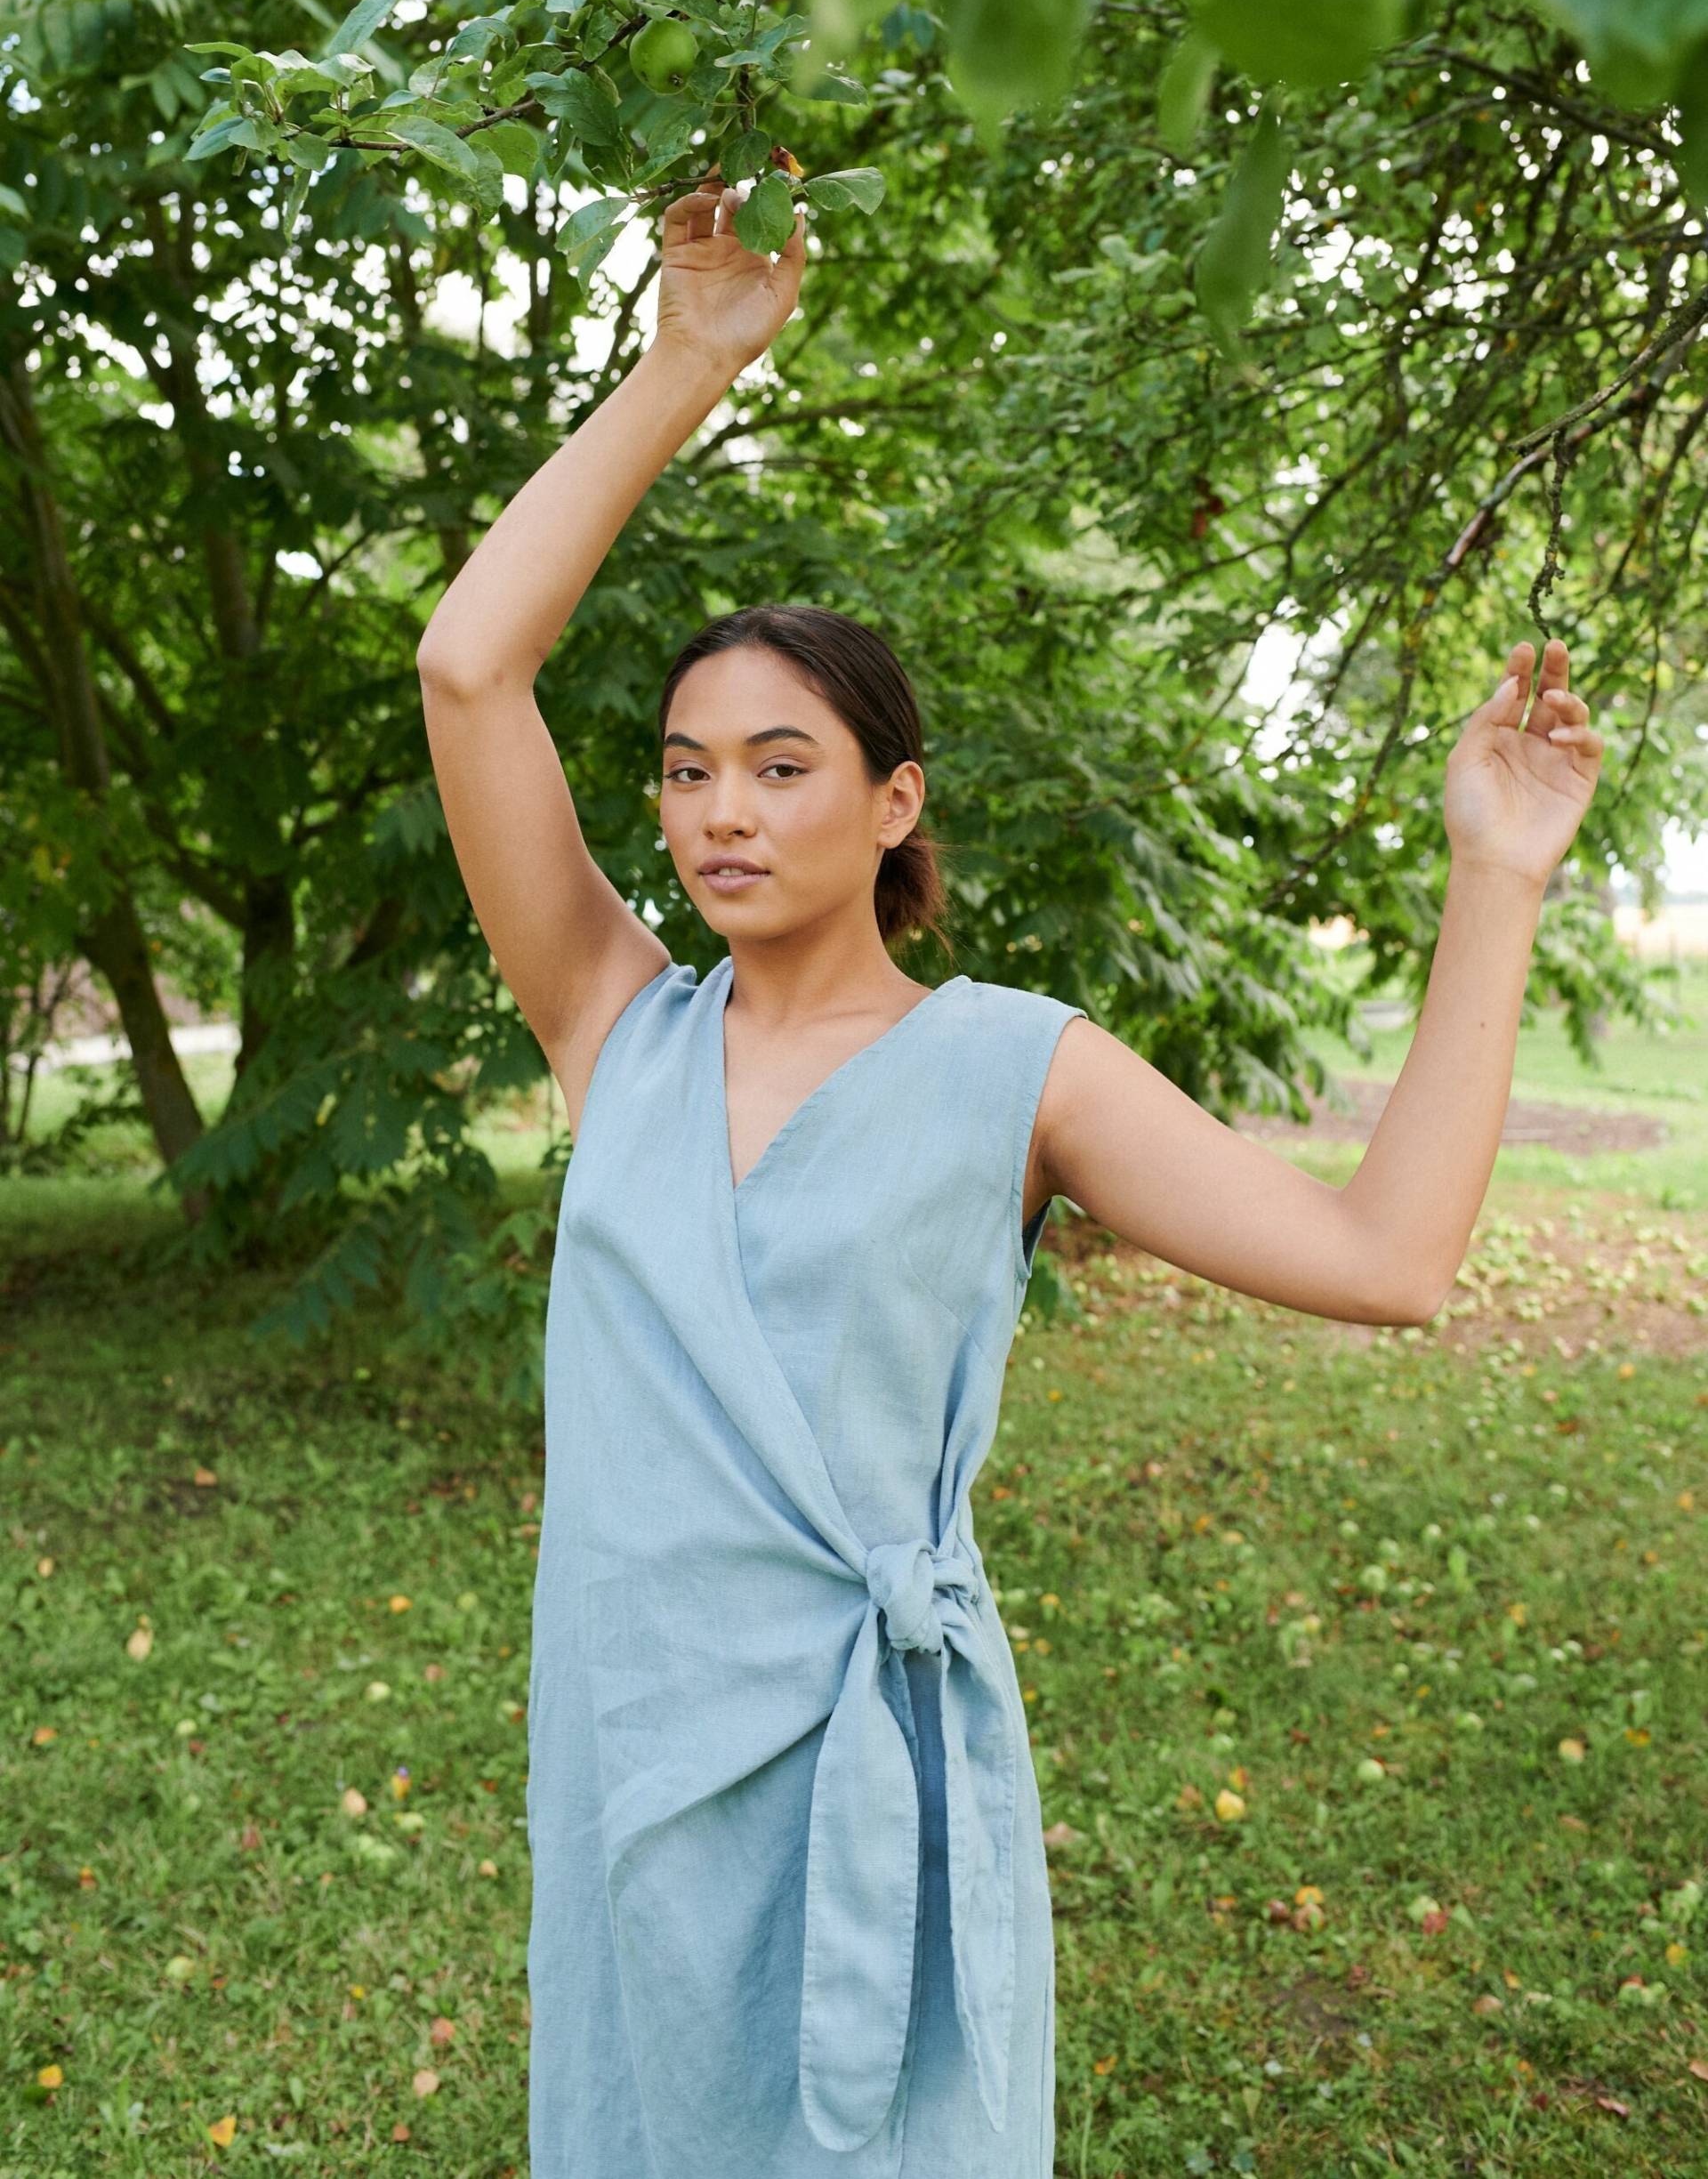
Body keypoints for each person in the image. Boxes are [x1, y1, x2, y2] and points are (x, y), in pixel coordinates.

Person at [415, 171, 1604, 2179]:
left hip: (869, 1767)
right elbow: (467, 670)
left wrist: (1494, 877)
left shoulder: (1009, 1065)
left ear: (893, 806)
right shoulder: (616, 1025)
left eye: (781, 766)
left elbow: (1391, 1258)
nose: (719, 811)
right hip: (634, 1756)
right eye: (690, 768)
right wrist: (683, 364)